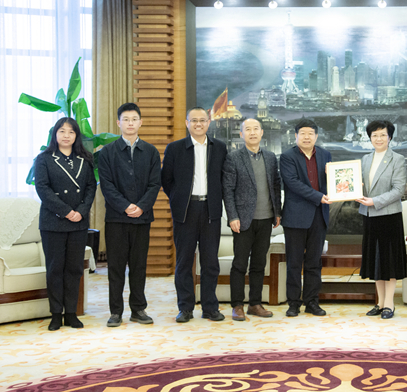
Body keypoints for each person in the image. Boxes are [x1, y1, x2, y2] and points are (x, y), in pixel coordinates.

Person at [97, 103, 161, 328]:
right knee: (115, 267)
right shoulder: (107, 152)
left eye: (134, 119)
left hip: (142, 219)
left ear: (140, 122)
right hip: (116, 219)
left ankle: (138, 309)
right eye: (126, 119)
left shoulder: (151, 152)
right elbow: (106, 185)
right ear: (119, 123)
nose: (130, 123)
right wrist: (125, 206)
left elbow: (155, 184)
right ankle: (116, 312)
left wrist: (141, 207)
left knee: (138, 266)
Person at [161, 107, 227, 323]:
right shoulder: (175, 148)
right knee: (184, 261)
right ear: (187, 123)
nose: (198, 124)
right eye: (194, 120)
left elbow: (224, 179)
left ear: (209, 123)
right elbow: (166, 180)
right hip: (186, 211)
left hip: (211, 211)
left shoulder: (219, 148)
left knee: (210, 262)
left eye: (202, 120)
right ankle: (185, 308)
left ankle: (210, 307)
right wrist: (179, 199)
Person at [34, 117, 97, 331]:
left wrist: (81, 211)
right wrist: (66, 211)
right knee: (55, 269)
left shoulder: (85, 159)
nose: (66, 135)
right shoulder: (44, 159)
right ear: (55, 134)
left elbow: (91, 187)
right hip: (53, 222)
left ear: (76, 135)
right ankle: (55, 314)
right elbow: (43, 189)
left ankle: (71, 313)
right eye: (62, 131)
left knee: (74, 268)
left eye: (71, 132)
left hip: (78, 222)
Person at [222, 118, 282, 321]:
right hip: (242, 221)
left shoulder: (271, 157)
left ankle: (255, 304)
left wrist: (277, 212)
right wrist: (232, 216)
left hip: (266, 219)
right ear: (242, 134)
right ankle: (237, 305)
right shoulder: (234, 158)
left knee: (259, 264)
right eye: (248, 129)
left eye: (256, 129)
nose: (252, 132)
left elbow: (276, 185)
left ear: (262, 132)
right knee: (240, 264)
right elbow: (228, 190)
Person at [280, 119, 332, 317]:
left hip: (319, 215)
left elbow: (332, 182)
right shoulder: (287, 156)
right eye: (303, 133)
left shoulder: (325, 155)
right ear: (296, 136)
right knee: (294, 263)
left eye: (311, 133)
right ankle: (293, 303)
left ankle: (312, 302)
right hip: (295, 216)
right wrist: (319, 196)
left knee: (314, 262)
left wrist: (341, 184)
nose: (307, 137)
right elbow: (292, 183)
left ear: (316, 136)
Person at [357, 120, 407, 320]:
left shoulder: (397, 159)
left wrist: (374, 201)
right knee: (376, 260)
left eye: (382, 135)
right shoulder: (365, 159)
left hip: (389, 216)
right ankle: (379, 302)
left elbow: (399, 189)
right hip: (369, 215)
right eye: (374, 135)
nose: (378, 139)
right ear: (370, 138)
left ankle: (389, 303)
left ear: (390, 137)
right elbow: (359, 184)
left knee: (389, 260)